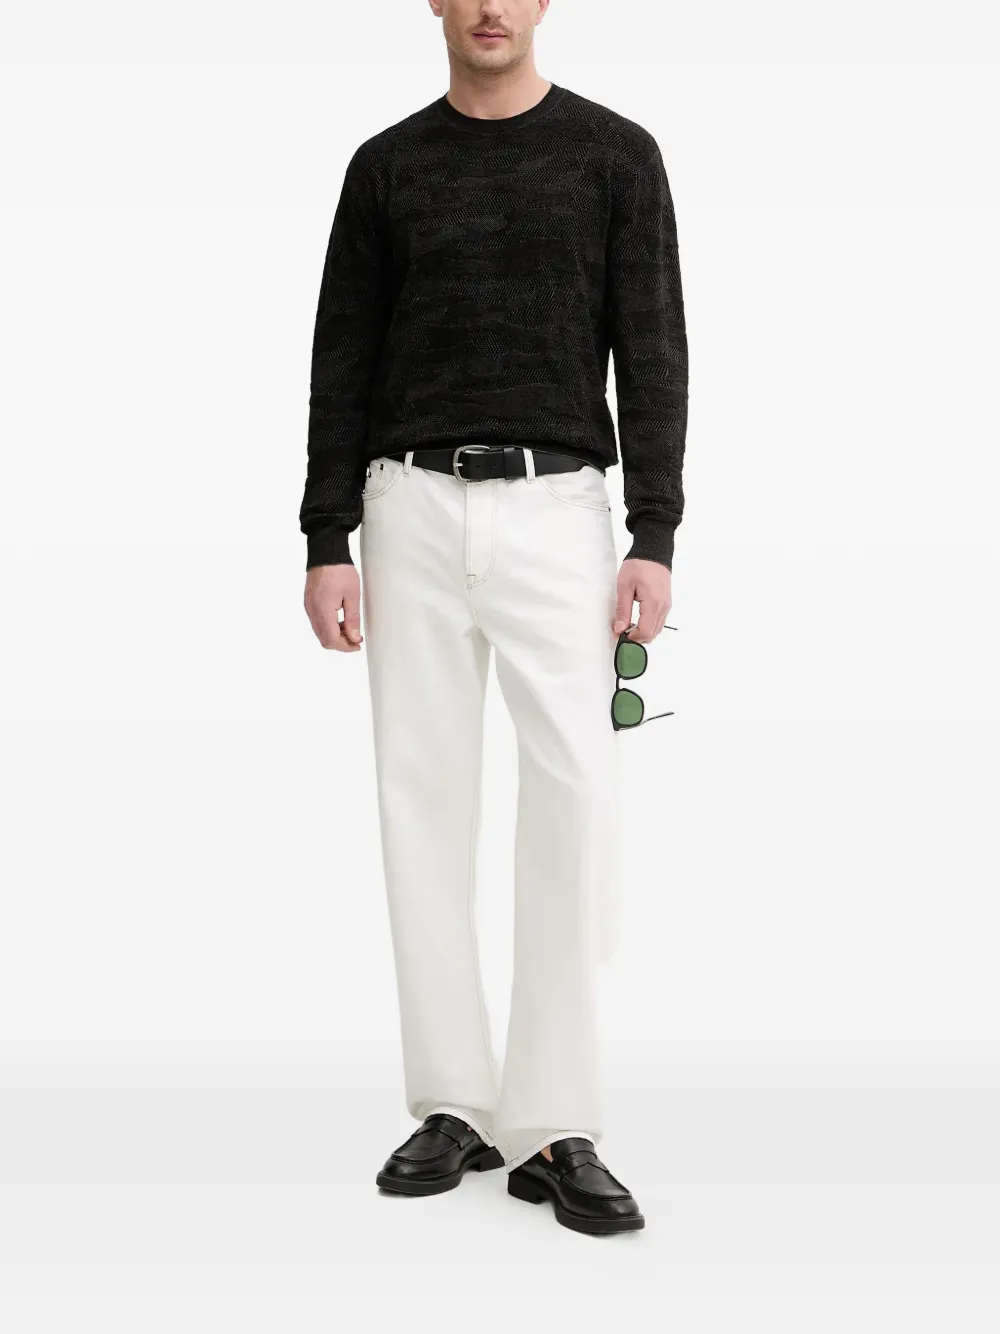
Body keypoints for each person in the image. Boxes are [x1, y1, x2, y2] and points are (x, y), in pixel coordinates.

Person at [299, 0, 687, 1236]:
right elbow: (342, 354)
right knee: (422, 796)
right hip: (406, 505)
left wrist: (654, 530)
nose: (487, 7)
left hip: (557, 507)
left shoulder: (614, 154)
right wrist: (325, 535)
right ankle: (455, 1102)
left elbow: (653, 346)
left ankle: (556, 1121)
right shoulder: (386, 166)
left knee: (574, 797)